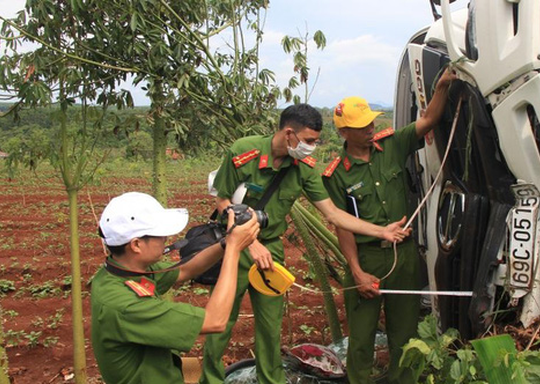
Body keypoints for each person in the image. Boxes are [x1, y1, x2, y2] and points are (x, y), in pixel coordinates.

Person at [200, 103, 411, 384]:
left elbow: (333, 213)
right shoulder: (244, 151)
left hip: (271, 250)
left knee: (270, 325)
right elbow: (223, 201)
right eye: (309, 141)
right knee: (221, 322)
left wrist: (381, 231)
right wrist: (249, 242)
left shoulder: (302, 168)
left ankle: (270, 380)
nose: (313, 147)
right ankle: (210, 380)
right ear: (289, 134)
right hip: (234, 246)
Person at [322, 68, 457, 384]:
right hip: (367, 260)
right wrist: (356, 272)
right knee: (361, 338)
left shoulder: (393, 144)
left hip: (403, 256)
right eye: (361, 126)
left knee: (405, 332)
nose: (370, 128)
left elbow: (428, 121)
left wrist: (441, 87)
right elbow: (343, 227)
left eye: (371, 121)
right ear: (343, 132)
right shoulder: (335, 174)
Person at [91, 191, 260, 384]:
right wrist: (234, 250)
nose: (166, 239)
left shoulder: (122, 271)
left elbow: (185, 270)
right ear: (136, 244)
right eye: (160, 235)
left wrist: (225, 243)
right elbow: (215, 321)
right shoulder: (124, 306)